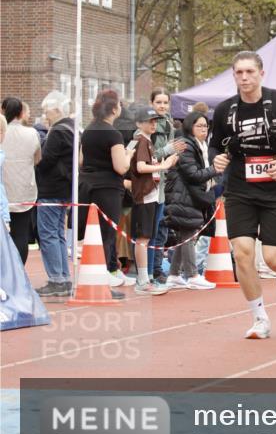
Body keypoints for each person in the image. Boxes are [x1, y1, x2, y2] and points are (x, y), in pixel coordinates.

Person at [209, 51, 276, 339]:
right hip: (240, 190)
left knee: (272, 257)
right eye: (239, 73)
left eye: (250, 72)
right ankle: (259, 317)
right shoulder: (224, 110)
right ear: (234, 75)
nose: (244, 78)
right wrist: (217, 160)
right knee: (242, 254)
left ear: (261, 74)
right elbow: (214, 145)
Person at [80, 89, 135, 297]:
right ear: (114, 109)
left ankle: (103, 274)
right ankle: (102, 278)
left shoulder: (88, 130)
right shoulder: (114, 134)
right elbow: (121, 167)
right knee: (106, 233)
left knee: (93, 233)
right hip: (108, 188)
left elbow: (81, 161)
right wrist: (128, 154)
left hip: (87, 185)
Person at [164, 111, 224, 290]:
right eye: (199, 126)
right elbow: (193, 174)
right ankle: (192, 275)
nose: (204, 129)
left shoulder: (200, 145)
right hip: (184, 195)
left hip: (191, 195)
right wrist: (215, 169)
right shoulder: (186, 146)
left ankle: (174, 274)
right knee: (189, 234)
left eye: (206, 126)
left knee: (186, 235)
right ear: (190, 127)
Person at [128, 106, 178, 295]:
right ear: (139, 123)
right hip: (145, 195)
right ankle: (142, 280)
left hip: (151, 194)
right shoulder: (141, 141)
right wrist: (164, 164)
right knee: (143, 238)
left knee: (146, 238)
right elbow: (141, 167)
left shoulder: (146, 142)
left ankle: (145, 278)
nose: (154, 124)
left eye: (155, 120)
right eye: (150, 121)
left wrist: (163, 164)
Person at [34, 91, 74, 297]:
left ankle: (56, 279)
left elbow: (45, 160)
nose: (44, 115)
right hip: (65, 188)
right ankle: (63, 277)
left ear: (57, 109)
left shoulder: (58, 131)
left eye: (46, 110)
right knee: (58, 233)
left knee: (49, 233)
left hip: (51, 188)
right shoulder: (72, 128)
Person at [149, 90, 186, 283]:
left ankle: (156, 268)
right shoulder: (152, 124)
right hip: (153, 182)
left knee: (162, 227)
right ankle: (152, 269)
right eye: (158, 102)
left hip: (167, 180)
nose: (162, 106)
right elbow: (153, 153)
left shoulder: (169, 122)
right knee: (154, 228)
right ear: (152, 103)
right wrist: (172, 149)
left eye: (165, 102)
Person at [2, 97, 41, 264]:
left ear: (3, 111)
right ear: (21, 113)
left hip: (4, 190)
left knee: (4, 236)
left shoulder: (3, 133)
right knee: (21, 233)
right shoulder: (32, 133)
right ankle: (19, 274)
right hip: (25, 190)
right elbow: (37, 159)